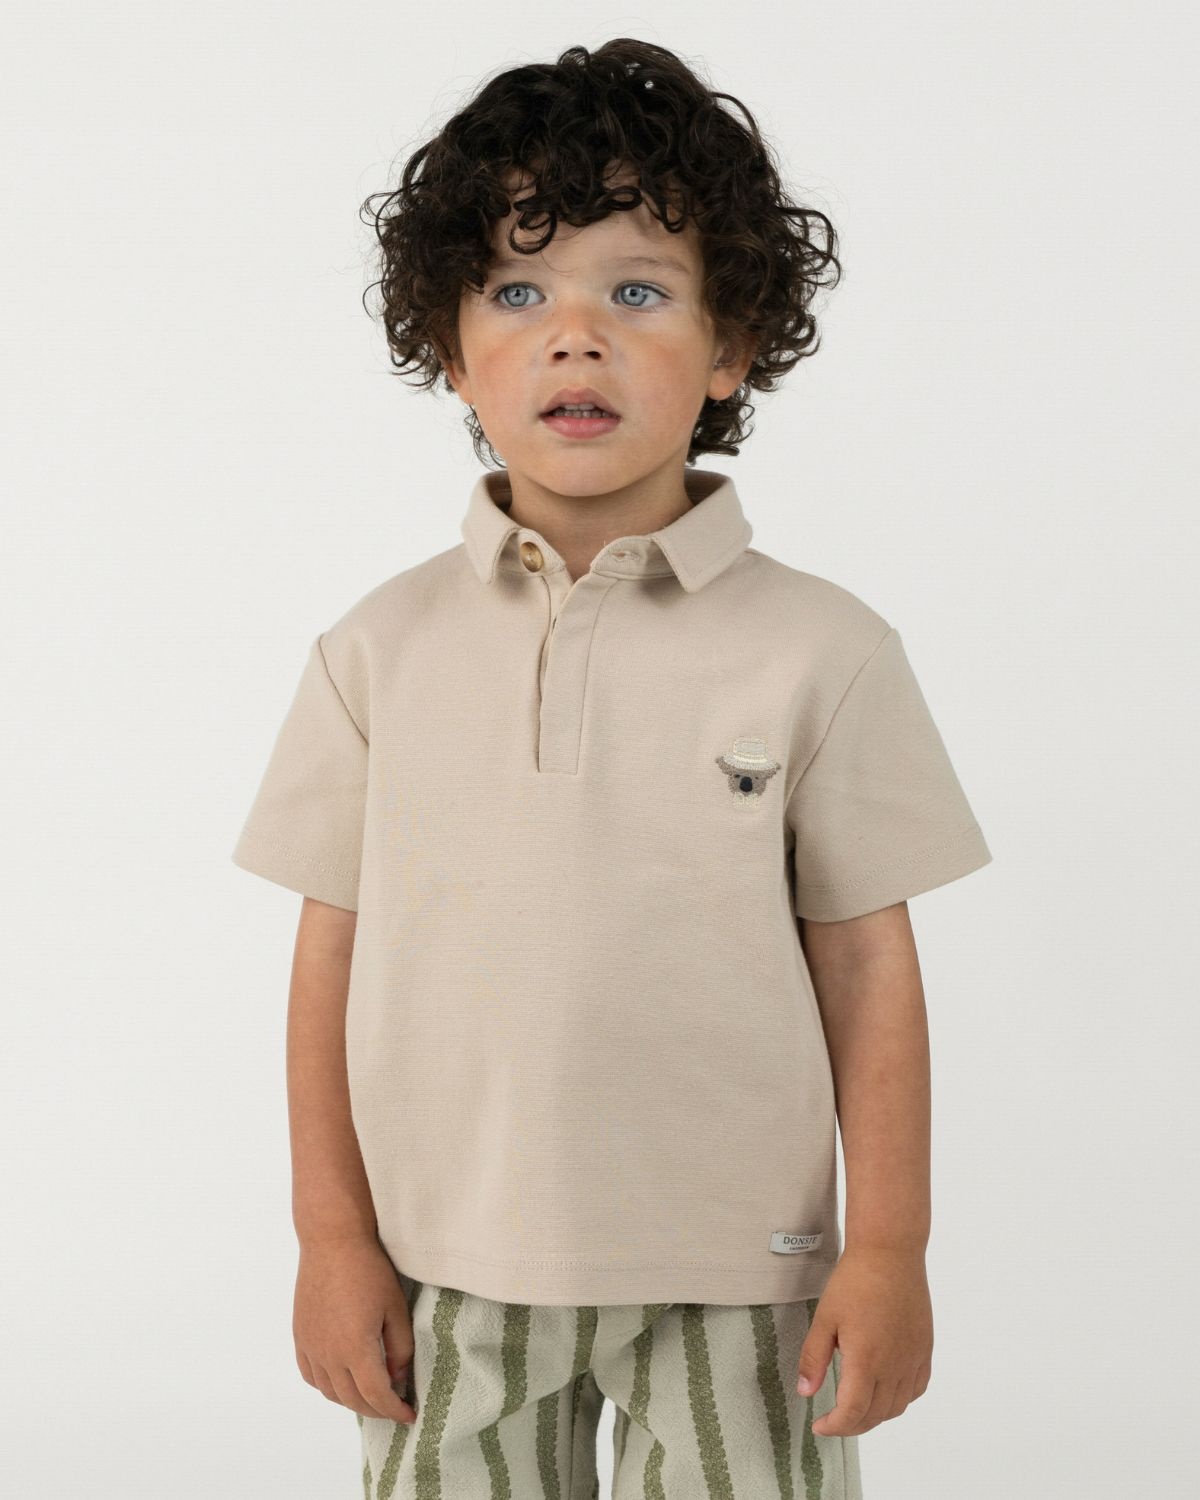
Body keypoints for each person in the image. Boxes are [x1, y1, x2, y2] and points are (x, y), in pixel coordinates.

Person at [231, 38, 993, 1499]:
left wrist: (890, 1248)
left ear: (731, 346)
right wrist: (331, 1239)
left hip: (744, 1279)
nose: (574, 337)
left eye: (636, 292)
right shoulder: (375, 650)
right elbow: (328, 959)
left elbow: (868, 967)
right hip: (441, 1269)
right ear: (450, 348)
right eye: (519, 292)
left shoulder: (824, 650)